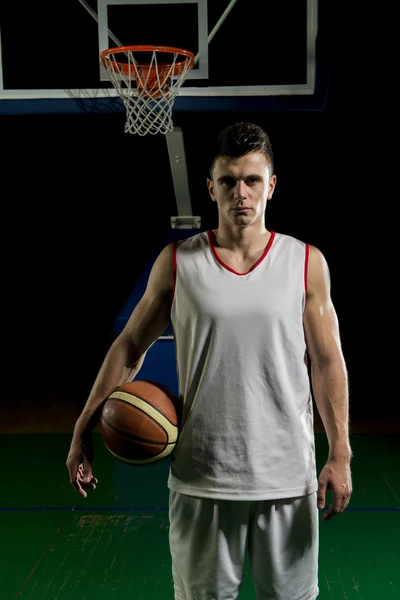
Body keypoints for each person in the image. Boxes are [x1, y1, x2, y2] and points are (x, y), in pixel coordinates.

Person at [66, 122, 353, 600]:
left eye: (252, 180)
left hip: (286, 476)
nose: (241, 193)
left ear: (271, 186)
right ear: (211, 187)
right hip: (202, 476)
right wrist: (83, 426)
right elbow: (129, 346)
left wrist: (340, 452)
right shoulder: (179, 262)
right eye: (228, 181)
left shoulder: (306, 262)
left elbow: (327, 363)